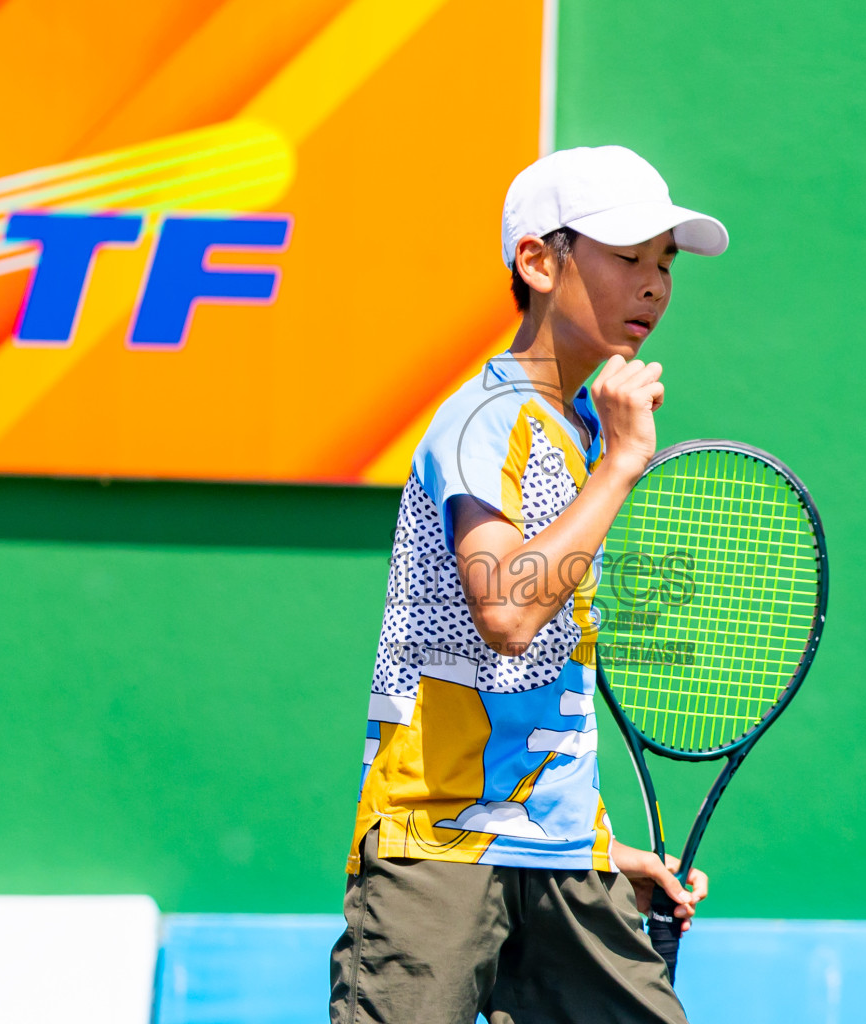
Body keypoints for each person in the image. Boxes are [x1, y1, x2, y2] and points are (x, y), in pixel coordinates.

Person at [330, 144, 729, 1024]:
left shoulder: (583, 430)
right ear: (540, 261)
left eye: (665, 263)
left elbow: (532, 685)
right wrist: (623, 465)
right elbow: (508, 611)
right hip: (434, 848)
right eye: (628, 258)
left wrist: (605, 847)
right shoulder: (482, 419)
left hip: (558, 854)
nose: (655, 286)